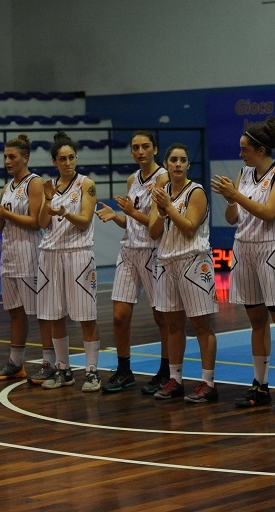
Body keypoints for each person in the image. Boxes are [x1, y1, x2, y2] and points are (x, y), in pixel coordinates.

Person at [210, 117, 275, 412]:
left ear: (260, 149)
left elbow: (269, 213)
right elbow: (233, 219)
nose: (240, 153)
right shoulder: (244, 173)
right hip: (244, 248)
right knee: (256, 321)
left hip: (273, 250)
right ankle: (260, 384)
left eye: (244, 149)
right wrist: (231, 201)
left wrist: (236, 195)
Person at [95, 131, 171, 394]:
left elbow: (154, 226)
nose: (140, 151)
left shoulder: (163, 178)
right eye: (135, 147)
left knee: (162, 317)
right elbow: (132, 220)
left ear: (155, 149)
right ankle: (124, 370)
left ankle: (166, 371)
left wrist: (130, 212)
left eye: (145, 146)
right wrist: (117, 216)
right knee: (119, 316)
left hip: (153, 250)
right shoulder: (132, 179)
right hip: (129, 249)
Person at [148, 143, 219, 402]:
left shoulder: (196, 191)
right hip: (167, 260)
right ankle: (175, 379)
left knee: (201, 324)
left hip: (193, 260)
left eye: (183, 160)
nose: (178, 164)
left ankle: (208, 382)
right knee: (173, 325)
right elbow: (154, 232)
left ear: (188, 165)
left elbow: (189, 228)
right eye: (173, 160)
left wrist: (168, 207)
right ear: (166, 164)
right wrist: (160, 210)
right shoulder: (161, 192)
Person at [36, 131, 101, 392]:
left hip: (78, 253)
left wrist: (64, 212)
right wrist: (50, 200)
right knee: (55, 316)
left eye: (71, 157)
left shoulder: (87, 184)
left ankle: (92, 371)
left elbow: (85, 220)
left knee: (86, 316)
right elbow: (41, 223)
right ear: (54, 161)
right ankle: (63, 369)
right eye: (62, 159)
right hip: (51, 254)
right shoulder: (48, 186)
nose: (67, 162)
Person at [0, 133, 45, 381]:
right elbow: (0, 228)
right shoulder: (6, 187)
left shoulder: (35, 183)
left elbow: (35, 222)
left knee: (42, 313)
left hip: (30, 254)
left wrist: (6, 215)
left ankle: (50, 362)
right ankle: (16, 362)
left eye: (12, 157)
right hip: (9, 255)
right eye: (5, 157)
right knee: (15, 312)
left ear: (25, 157)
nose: (8, 161)